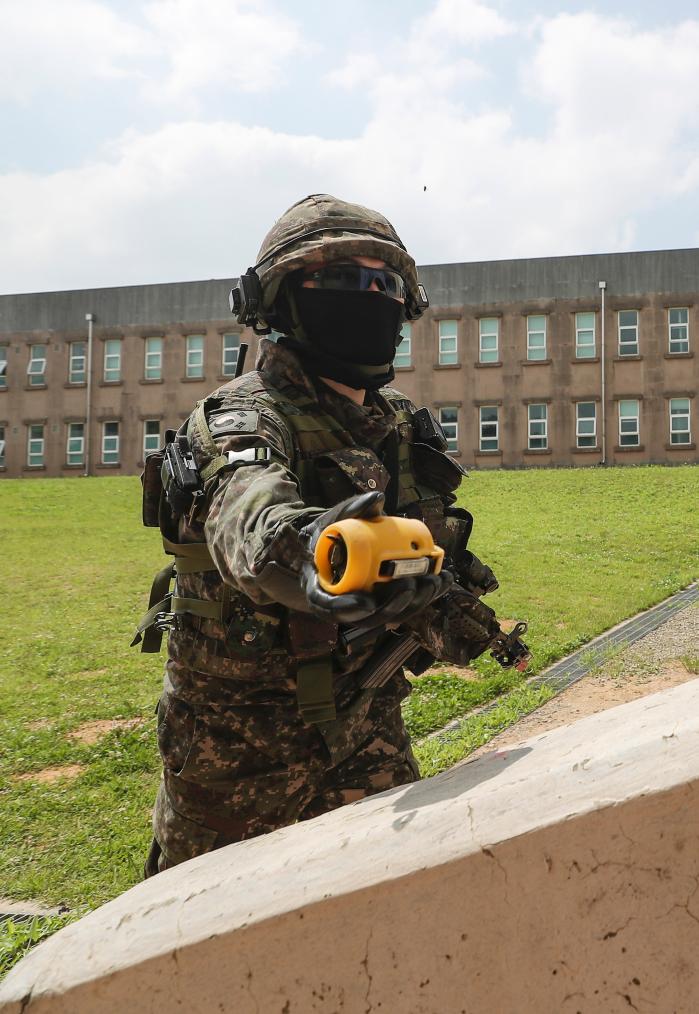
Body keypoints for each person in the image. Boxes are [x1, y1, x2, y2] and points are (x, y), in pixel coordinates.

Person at [138, 194, 501, 876]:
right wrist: (317, 556)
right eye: (338, 281)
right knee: (210, 958)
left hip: (368, 737)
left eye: (382, 282)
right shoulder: (242, 419)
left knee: (389, 933)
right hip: (241, 761)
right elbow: (254, 523)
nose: (367, 296)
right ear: (277, 302)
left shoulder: (392, 424)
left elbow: (416, 549)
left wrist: (442, 595)